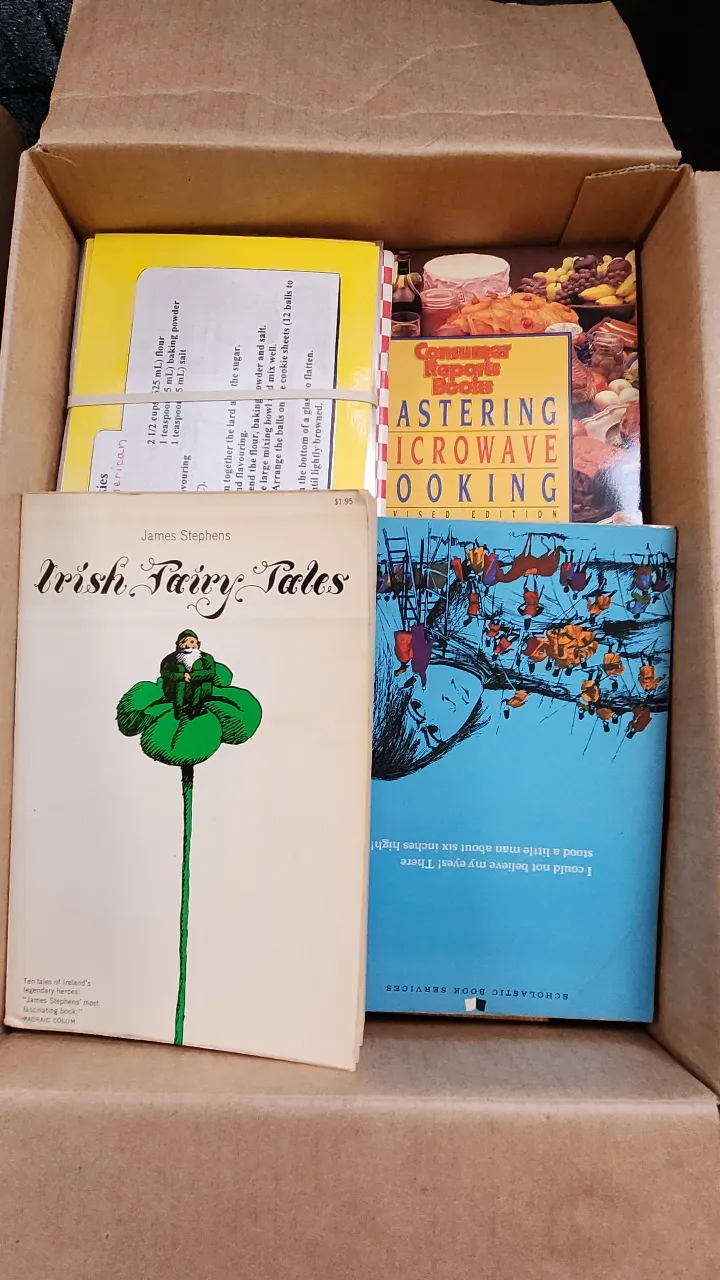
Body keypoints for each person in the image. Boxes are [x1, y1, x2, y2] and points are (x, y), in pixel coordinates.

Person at [160, 629, 217, 720]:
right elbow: (165, 672)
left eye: (192, 642)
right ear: (177, 644)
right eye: (183, 642)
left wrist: (193, 676)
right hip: (178, 689)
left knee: (198, 668)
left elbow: (211, 672)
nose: (188, 645)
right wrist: (182, 676)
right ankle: (178, 709)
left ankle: (195, 708)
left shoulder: (206, 657)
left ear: (198, 643)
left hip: (200, 688)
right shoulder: (170, 658)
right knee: (179, 668)